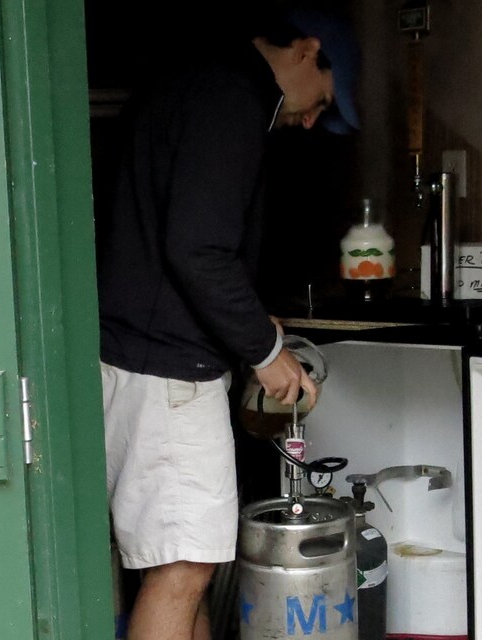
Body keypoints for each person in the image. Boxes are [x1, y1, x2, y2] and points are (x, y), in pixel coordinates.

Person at [97, 6, 361, 639]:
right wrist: (268, 351)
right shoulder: (231, 99)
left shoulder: (201, 80)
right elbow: (197, 248)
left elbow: (181, 243)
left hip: (145, 354)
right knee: (183, 570)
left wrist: (242, 315)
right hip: (168, 375)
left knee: (185, 570)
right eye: (323, 99)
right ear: (306, 50)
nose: (312, 118)